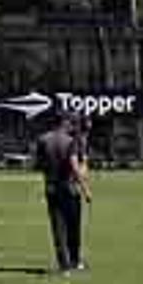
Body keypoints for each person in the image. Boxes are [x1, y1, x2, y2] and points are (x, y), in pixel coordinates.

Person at [34, 111, 91, 273]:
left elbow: (38, 165)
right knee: (74, 227)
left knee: (58, 228)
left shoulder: (42, 139)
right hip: (70, 189)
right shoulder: (70, 141)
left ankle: (63, 265)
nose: (72, 125)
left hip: (51, 188)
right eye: (71, 122)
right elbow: (74, 167)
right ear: (65, 122)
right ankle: (75, 261)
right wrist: (85, 188)